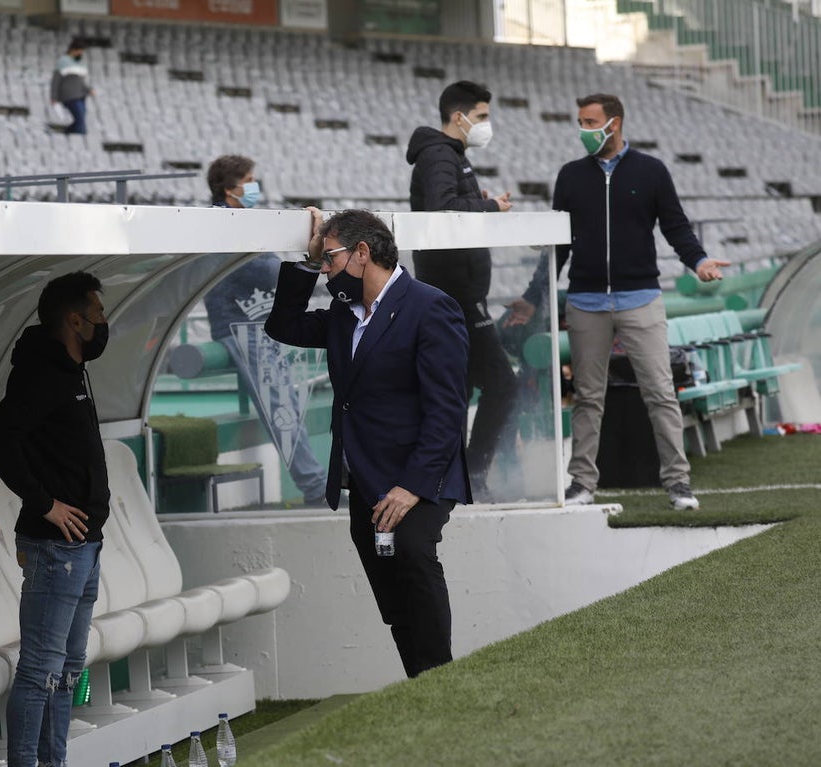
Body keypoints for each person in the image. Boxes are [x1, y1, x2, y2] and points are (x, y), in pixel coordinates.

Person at [265, 208, 471, 677]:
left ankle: (442, 679)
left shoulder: (430, 306)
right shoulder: (343, 312)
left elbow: (446, 409)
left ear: (363, 253)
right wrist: (306, 259)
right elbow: (282, 325)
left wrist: (413, 486)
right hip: (364, 476)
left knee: (415, 556)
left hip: (420, 473)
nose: (326, 269)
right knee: (391, 587)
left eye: (331, 257)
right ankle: (420, 682)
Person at [506, 93, 730, 510]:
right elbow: (559, 247)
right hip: (586, 302)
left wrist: (698, 261)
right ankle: (582, 484)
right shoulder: (570, 176)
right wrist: (534, 299)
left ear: (615, 123)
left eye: (591, 122)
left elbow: (676, 226)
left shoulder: (652, 171)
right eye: (581, 122)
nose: (584, 130)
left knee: (660, 392)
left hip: (641, 299)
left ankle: (678, 484)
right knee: (589, 396)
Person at [0, 272, 110, 767]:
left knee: (69, 669)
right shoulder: (42, 375)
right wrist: (44, 504)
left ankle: (55, 760)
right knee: (41, 669)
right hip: (55, 548)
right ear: (73, 320)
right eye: (97, 314)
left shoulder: (72, 372)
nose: (104, 323)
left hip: (85, 546)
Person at [406, 80, 517, 496]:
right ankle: (473, 471)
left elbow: (449, 201)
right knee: (502, 385)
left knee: (461, 387)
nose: (487, 125)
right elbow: (441, 208)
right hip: (454, 291)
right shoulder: (439, 154)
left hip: (459, 290)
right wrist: (489, 206)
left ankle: (454, 474)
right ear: (459, 117)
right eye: (482, 116)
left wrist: (479, 199)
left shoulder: (450, 155)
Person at [203, 154, 329, 506]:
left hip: (258, 324)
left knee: (286, 404)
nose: (256, 187)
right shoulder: (223, 223)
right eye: (249, 181)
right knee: (282, 408)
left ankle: (318, 485)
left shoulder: (240, 219)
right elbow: (269, 273)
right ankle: (315, 489)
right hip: (240, 325)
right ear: (229, 189)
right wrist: (311, 251)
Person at [50, 38, 93, 135]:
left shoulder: (80, 63)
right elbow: (56, 81)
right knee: (80, 122)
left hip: (81, 95)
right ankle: (65, 134)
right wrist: (54, 97)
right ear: (73, 50)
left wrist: (88, 90)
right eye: (80, 51)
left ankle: (65, 133)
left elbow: (81, 81)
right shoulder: (63, 61)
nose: (81, 53)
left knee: (81, 122)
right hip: (69, 96)